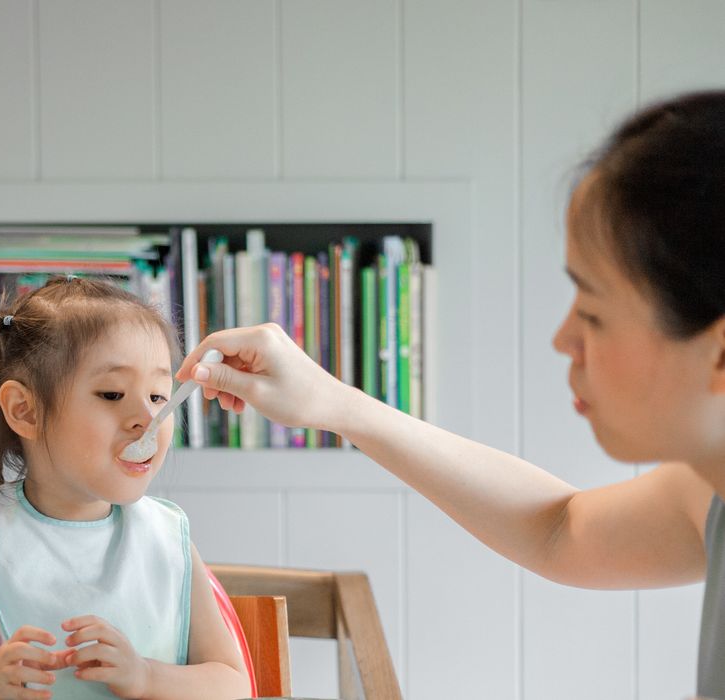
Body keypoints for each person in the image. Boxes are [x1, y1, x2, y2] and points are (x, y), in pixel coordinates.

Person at [177, 89, 725, 697]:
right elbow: (558, 528)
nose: (563, 338)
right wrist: (333, 402)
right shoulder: (709, 492)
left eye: (593, 313)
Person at [0, 277, 249, 700]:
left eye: (159, 397)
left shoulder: (168, 539)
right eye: (112, 394)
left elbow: (232, 684)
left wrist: (145, 677)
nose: (147, 418)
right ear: (25, 411)